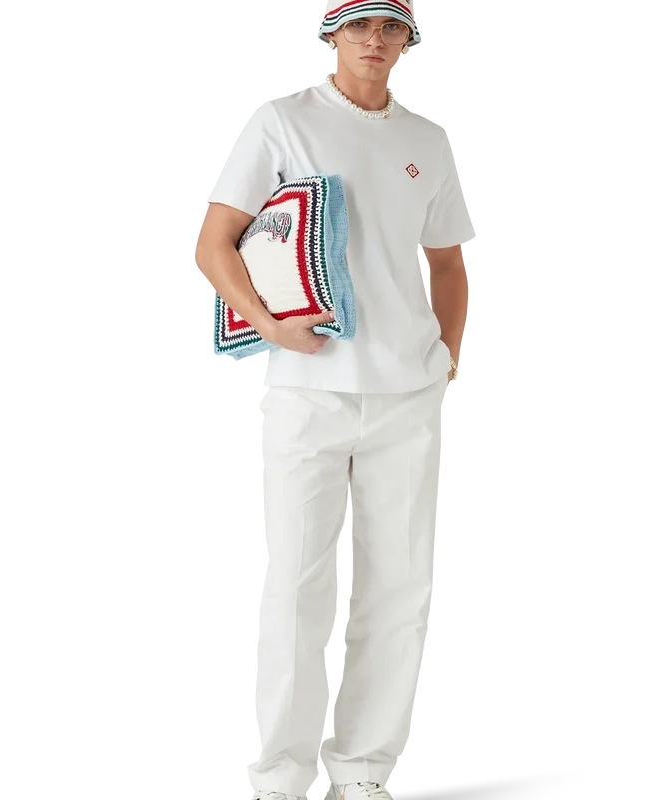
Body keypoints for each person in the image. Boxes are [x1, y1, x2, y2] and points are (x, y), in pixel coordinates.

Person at [197, 3, 473, 797]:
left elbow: (447, 259)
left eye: (391, 28)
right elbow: (214, 241)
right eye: (359, 27)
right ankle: (280, 772)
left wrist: (448, 355)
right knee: (295, 583)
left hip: (408, 393)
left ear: (409, 40)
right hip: (305, 390)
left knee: (398, 586)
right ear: (331, 35)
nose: (375, 41)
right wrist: (269, 328)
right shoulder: (281, 118)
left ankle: (365, 767)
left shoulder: (429, 137)